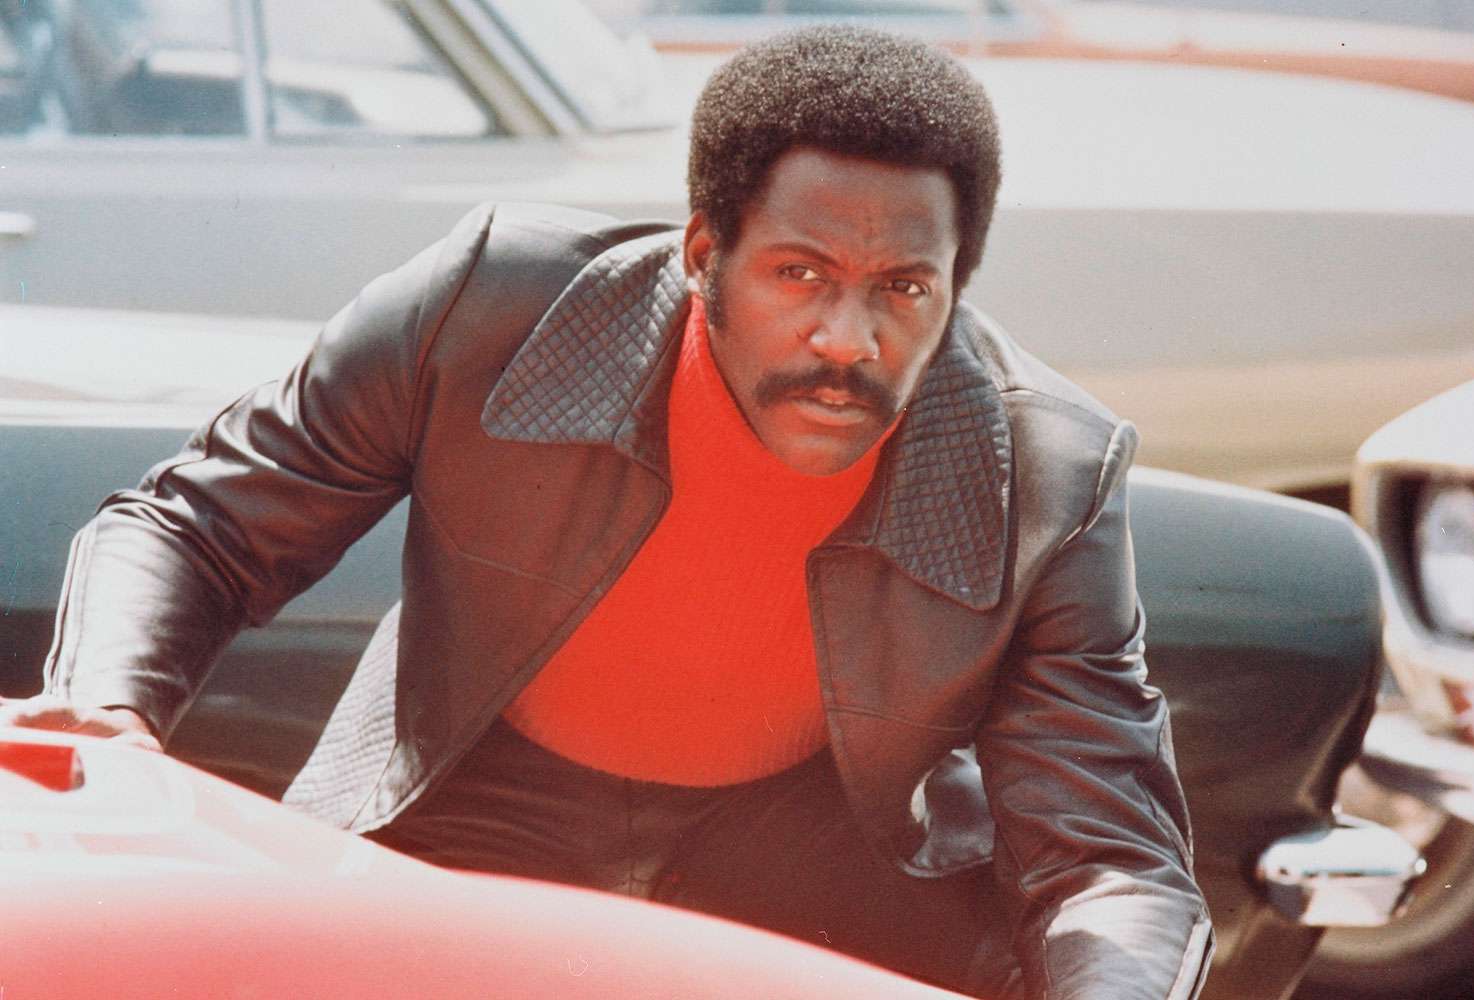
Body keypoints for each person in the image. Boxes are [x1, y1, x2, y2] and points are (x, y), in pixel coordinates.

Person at [0, 25, 1211, 999]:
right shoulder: (487, 308)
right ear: (701, 252)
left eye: (906, 288)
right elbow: (194, 526)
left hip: (817, 851)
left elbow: (1111, 862)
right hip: (464, 801)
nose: (852, 340)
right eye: (800, 275)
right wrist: (103, 717)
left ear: (957, 288)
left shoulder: (1052, 472)